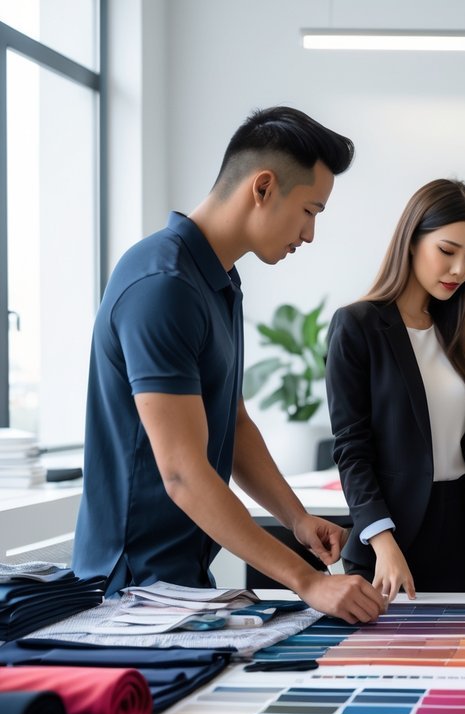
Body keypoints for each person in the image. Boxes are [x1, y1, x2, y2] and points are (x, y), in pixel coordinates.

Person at [73, 106, 384, 624]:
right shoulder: (163, 285)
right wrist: (307, 581)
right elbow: (182, 473)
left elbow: (232, 424)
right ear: (263, 187)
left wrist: (296, 519)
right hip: (130, 594)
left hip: (182, 585)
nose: (310, 234)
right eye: (310, 211)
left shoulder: (218, 281)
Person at [326, 179, 465, 601]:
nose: (460, 269)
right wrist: (383, 541)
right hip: (388, 542)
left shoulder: (457, 331)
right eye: (447, 251)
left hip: (457, 539)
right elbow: (351, 450)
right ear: (411, 241)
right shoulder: (357, 326)